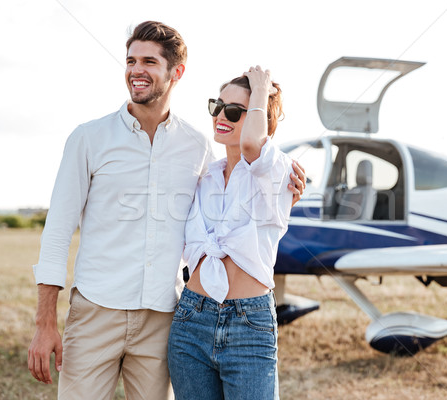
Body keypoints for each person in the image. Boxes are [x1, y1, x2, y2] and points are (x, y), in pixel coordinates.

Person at [27, 22, 305, 400]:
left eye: (148, 61)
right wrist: (45, 323)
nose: (135, 70)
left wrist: (286, 185)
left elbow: (251, 168)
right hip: (96, 313)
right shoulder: (88, 139)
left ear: (176, 73)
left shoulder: (198, 148)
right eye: (130, 60)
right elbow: (57, 232)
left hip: (165, 319)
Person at [167, 66, 292, 400]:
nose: (221, 116)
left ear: (259, 117)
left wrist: (262, 86)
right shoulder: (204, 176)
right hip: (191, 319)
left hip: (249, 325)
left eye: (235, 111)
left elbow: (252, 145)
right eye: (217, 106)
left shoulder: (278, 170)